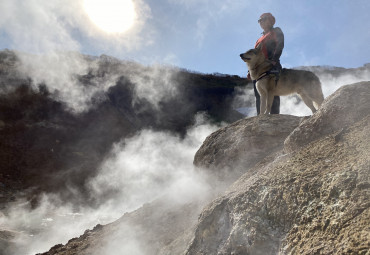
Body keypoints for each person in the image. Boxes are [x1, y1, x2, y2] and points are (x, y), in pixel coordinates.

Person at [248, 13, 284, 115]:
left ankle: (274, 119)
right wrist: (250, 70)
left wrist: (274, 59)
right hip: (258, 70)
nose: (261, 22)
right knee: (259, 95)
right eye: (259, 20)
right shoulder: (259, 39)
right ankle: (261, 118)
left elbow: (280, 45)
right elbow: (255, 56)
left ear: (270, 20)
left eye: (263, 19)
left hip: (271, 66)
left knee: (272, 91)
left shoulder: (276, 31)